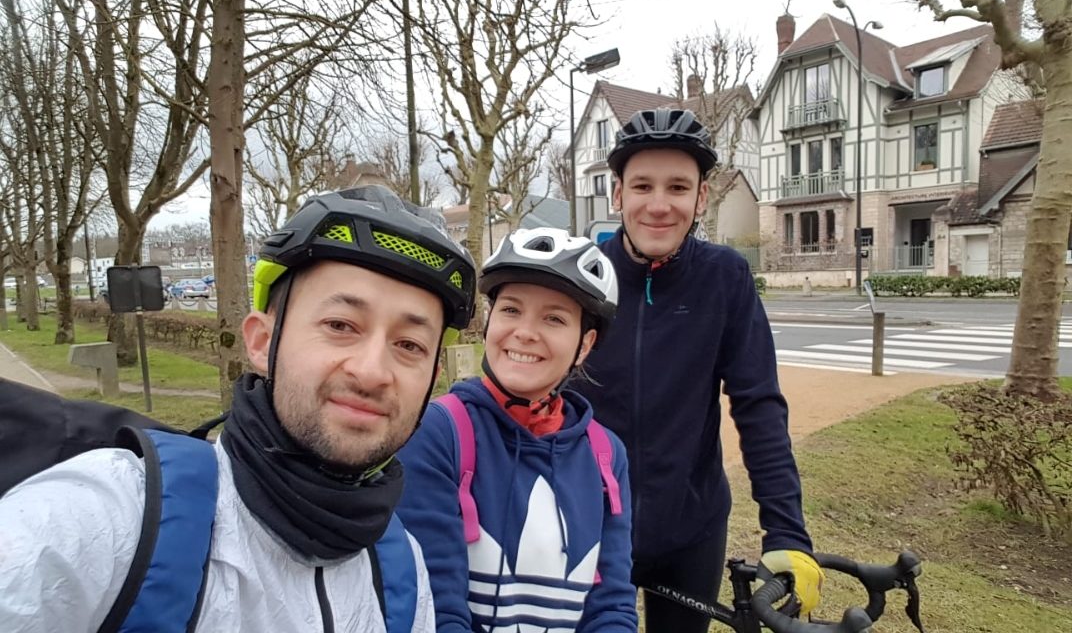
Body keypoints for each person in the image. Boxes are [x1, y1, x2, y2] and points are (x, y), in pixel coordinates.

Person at [0, 186, 478, 632]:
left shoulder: (401, 569)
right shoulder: (108, 514)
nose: (372, 371)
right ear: (261, 341)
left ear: (433, 378)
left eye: (410, 345)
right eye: (340, 324)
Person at [570, 108, 823, 631]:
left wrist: (788, 533)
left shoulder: (725, 278)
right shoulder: (582, 277)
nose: (659, 205)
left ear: (701, 197)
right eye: (642, 185)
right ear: (617, 194)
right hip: (588, 526)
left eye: (678, 187)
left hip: (691, 528)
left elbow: (758, 404)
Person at [396, 227, 638, 632]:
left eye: (554, 318)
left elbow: (611, 606)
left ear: (584, 344)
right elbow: (436, 606)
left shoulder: (606, 454)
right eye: (510, 309)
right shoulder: (438, 432)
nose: (525, 331)